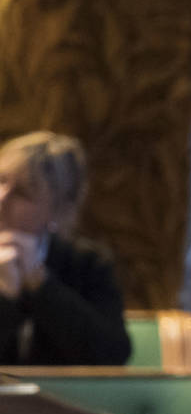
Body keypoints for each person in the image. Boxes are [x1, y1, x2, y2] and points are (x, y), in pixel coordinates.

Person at [0, 131, 132, 367]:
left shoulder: (87, 263)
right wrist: (5, 299)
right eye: (0, 180)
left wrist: (41, 284)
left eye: (22, 193)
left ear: (57, 210)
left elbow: (113, 354)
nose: (2, 198)